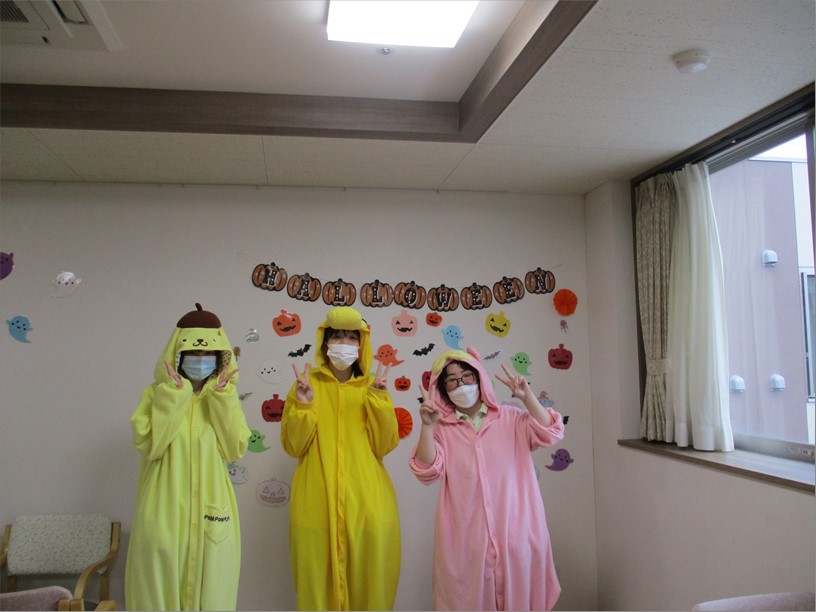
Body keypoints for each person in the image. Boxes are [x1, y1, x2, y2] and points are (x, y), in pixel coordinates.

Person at [409, 346, 565, 611]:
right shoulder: (442, 430)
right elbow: (426, 470)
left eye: (466, 376)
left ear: (479, 377)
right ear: (443, 390)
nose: (461, 384)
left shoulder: (511, 418)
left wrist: (528, 398)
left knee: (522, 598)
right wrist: (428, 427)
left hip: (517, 534)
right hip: (467, 540)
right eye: (452, 380)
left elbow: (551, 432)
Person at [125, 303, 250, 611]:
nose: (200, 358)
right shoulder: (156, 394)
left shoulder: (223, 397)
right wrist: (174, 395)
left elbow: (235, 448)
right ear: (178, 354)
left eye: (208, 353)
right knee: (158, 594)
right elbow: (151, 446)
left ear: (220, 357)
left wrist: (222, 399)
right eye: (193, 352)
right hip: (163, 511)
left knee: (212, 592)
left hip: (213, 511)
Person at [281, 305, 401, 610]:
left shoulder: (373, 387)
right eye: (337, 337)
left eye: (351, 337)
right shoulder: (305, 386)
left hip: (368, 503)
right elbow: (293, 447)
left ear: (361, 345)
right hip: (316, 505)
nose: (344, 344)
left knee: (370, 587)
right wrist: (304, 406)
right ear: (325, 343)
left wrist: (379, 400)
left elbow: (384, 445)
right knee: (316, 587)